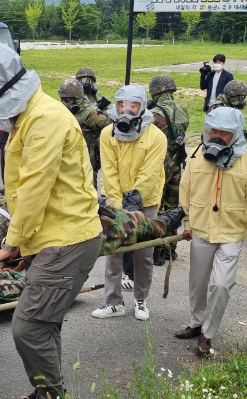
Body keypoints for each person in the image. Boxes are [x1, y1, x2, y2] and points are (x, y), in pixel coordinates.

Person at [0, 44, 102, 399]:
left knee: (29, 327)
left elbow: (33, 188)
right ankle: (49, 390)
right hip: (49, 237)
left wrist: (11, 243)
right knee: (45, 324)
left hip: (66, 239)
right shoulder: (28, 116)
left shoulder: (44, 119)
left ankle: (51, 394)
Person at [175, 107, 247, 355]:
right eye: (212, 130)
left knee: (223, 284)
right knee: (197, 282)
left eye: (224, 132)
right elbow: (186, 190)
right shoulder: (196, 156)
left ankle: (208, 333)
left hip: (231, 232)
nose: (217, 135)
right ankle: (195, 323)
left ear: (235, 134)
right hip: (201, 229)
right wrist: (188, 223)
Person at [91, 85, 167, 322]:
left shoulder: (156, 136)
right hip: (115, 201)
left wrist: (133, 201)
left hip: (146, 200)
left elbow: (150, 172)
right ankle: (113, 302)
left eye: (133, 105)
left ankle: (140, 299)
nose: (127, 109)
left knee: (143, 252)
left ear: (142, 106)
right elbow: (109, 170)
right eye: (122, 104)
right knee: (113, 248)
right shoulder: (108, 134)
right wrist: (115, 203)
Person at [148, 74, 189, 265]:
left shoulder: (154, 113)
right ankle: (171, 249)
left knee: (155, 206)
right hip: (176, 164)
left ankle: (156, 249)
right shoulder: (183, 111)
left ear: (155, 91)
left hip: (159, 165)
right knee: (173, 207)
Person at [57, 78, 111, 188]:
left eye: (68, 99)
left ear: (77, 98)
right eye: (63, 98)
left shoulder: (91, 113)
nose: (65, 102)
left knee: (89, 185)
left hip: (88, 156)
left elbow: (110, 129)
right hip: (70, 155)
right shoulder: (63, 109)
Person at [208, 79, 247, 149]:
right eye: (241, 97)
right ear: (233, 96)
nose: (242, 100)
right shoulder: (218, 109)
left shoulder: (228, 106)